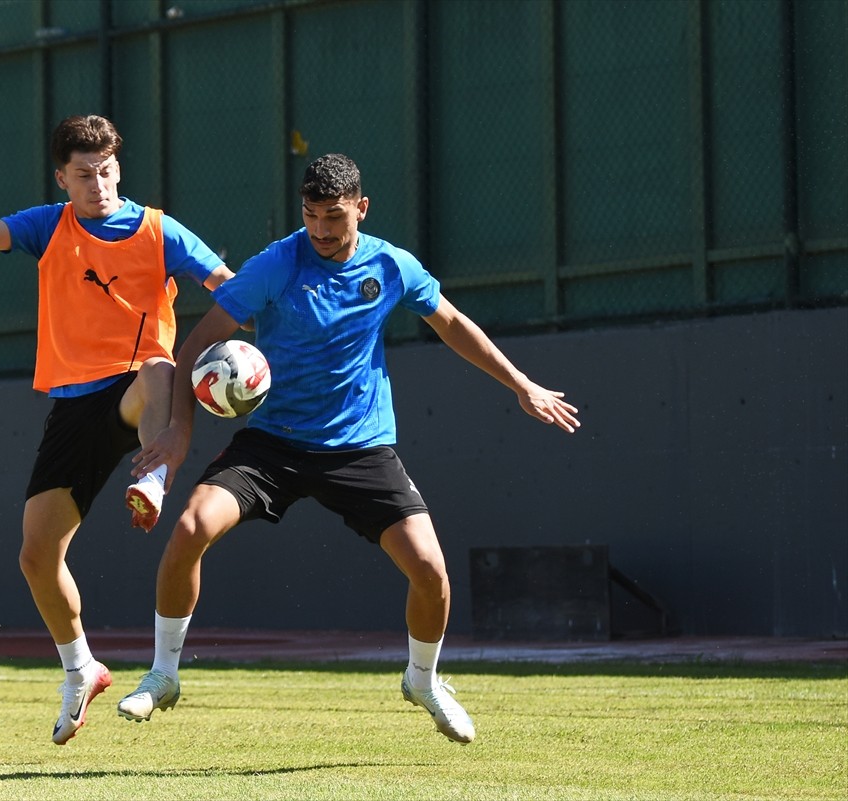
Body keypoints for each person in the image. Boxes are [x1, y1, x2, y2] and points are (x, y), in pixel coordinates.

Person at [117, 154, 581, 744]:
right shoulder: (276, 264)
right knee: (189, 528)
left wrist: (523, 385)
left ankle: (423, 679)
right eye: (310, 216)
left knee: (431, 572)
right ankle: (162, 674)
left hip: (360, 448)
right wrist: (179, 431)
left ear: (361, 208)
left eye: (333, 217)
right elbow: (196, 349)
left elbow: (453, 323)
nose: (321, 231)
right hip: (271, 444)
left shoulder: (391, 265)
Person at [0, 114, 233, 746]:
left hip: (135, 390)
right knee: (37, 557)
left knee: (157, 367)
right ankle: (81, 669)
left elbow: (227, 289)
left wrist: (275, 326)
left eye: (105, 171)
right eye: (83, 174)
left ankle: (152, 476)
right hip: (73, 409)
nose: (97, 184)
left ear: (117, 169)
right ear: (62, 178)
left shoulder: (160, 230)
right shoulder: (50, 225)